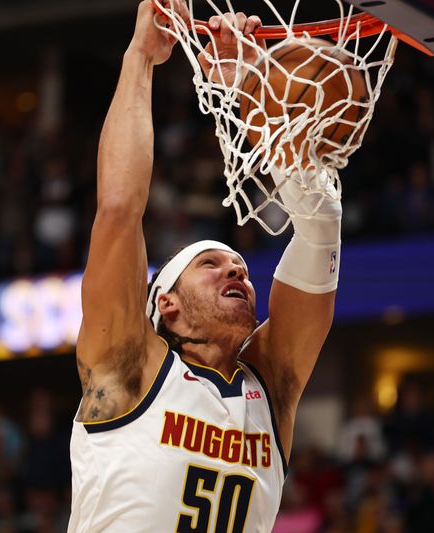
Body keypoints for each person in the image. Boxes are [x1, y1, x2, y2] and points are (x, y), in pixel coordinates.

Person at [68, 1, 343, 530]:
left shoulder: (270, 387)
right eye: (211, 264)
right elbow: (120, 210)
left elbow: (319, 230)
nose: (236, 272)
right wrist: (141, 59)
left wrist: (251, 88)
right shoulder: (127, 365)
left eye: (239, 266)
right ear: (165, 304)